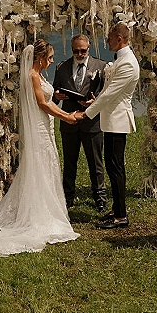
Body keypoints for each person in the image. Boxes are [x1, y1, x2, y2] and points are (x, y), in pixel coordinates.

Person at [0, 39, 80, 256]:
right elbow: (42, 104)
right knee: (42, 163)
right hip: (38, 126)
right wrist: (67, 116)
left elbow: (46, 99)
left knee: (46, 164)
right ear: (39, 58)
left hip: (44, 125)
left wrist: (57, 98)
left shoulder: (39, 76)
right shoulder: (32, 76)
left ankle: (45, 207)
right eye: (49, 57)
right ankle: (40, 212)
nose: (52, 61)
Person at [75, 23, 140, 229]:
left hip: (118, 121)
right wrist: (94, 100)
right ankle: (116, 209)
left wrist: (87, 113)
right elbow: (108, 90)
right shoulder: (121, 60)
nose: (107, 42)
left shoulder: (128, 63)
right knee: (112, 167)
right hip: (111, 120)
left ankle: (121, 216)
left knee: (116, 168)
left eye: (110, 38)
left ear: (120, 38)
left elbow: (112, 94)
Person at [53, 34, 108, 211]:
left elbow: (107, 94)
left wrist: (95, 101)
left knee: (96, 162)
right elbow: (53, 95)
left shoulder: (101, 66)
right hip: (69, 121)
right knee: (69, 162)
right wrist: (56, 95)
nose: (79, 54)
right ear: (71, 49)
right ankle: (67, 197)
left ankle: (100, 196)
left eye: (83, 50)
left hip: (92, 122)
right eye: (76, 51)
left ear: (89, 48)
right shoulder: (62, 67)